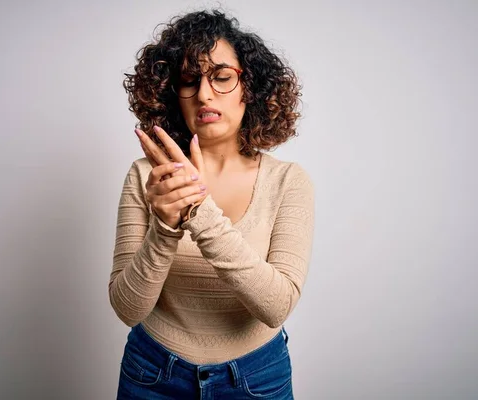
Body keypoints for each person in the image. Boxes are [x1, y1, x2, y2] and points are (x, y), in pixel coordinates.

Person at [108, 9, 314, 399]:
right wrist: (165, 229)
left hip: (256, 378)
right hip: (152, 373)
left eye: (221, 77)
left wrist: (199, 212)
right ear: (173, 94)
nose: (204, 93)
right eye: (189, 81)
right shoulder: (144, 175)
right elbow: (127, 309)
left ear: (248, 88)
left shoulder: (288, 181)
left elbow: (277, 306)